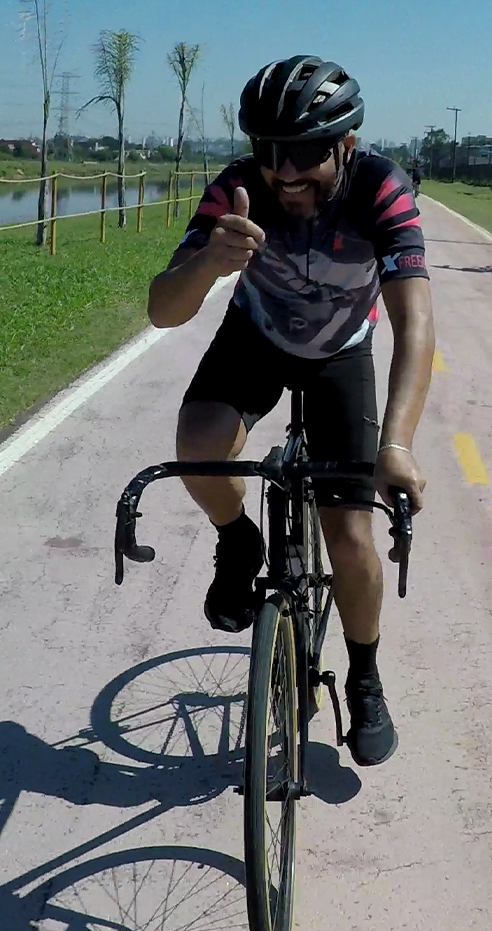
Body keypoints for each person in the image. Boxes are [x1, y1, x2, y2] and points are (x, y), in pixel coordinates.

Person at [145, 55, 436, 768]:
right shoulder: (238, 189)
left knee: (351, 537)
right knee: (199, 444)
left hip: (342, 349)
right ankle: (238, 539)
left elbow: (415, 324)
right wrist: (206, 263)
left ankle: (364, 676)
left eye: (305, 153)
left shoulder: (381, 188)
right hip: (257, 335)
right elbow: (162, 309)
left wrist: (397, 444)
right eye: (268, 150)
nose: (284, 172)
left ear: (346, 143)